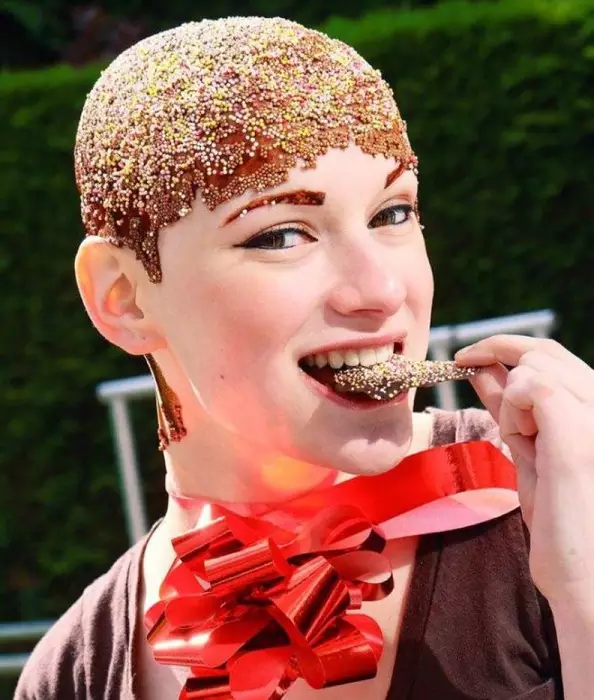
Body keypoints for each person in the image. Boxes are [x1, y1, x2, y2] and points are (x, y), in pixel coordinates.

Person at [15, 16, 594, 700]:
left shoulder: (554, 499)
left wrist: (582, 588)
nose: (381, 291)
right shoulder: (73, 676)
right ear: (124, 296)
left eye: (393, 214)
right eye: (282, 234)